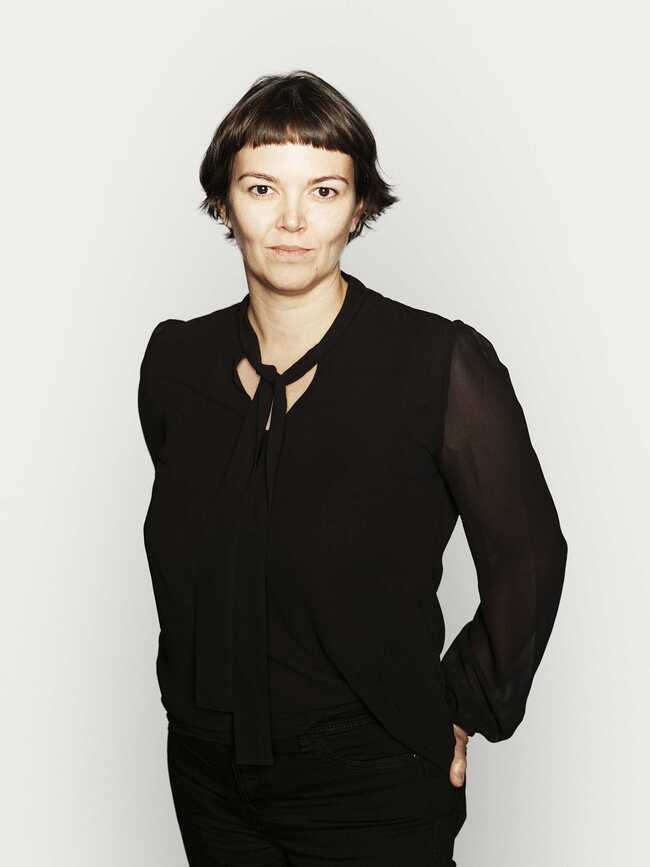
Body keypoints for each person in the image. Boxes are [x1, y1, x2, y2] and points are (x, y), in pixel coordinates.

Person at [137, 70, 568, 867]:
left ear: (359, 206)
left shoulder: (438, 363)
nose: (293, 220)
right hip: (208, 776)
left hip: (374, 775)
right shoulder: (175, 361)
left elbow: (530, 556)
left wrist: (466, 704)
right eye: (262, 188)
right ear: (224, 203)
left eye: (324, 190)